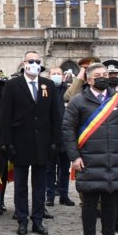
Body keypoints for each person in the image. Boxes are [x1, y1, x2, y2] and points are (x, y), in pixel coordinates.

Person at [62, 62, 118, 235]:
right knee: (90, 205)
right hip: (88, 160)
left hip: (114, 160)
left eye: (105, 74)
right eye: (98, 75)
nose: (103, 77)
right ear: (88, 79)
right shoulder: (78, 101)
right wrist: (74, 157)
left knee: (111, 205)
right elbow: (68, 130)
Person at [0, 51, 63, 235]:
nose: (34, 64)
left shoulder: (48, 85)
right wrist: (7, 143)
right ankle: (22, 219)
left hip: (42, 143)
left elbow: (55, 116)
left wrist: (55, 142)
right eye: (30, 61)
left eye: (37, 61)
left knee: (39, 184)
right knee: (20, 185)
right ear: (23, 63)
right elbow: (5, 115)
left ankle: (37, 219)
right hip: (20, 142)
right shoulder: (12, 85)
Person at [45, 66, 74, 207]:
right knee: (49, 169)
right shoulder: (45, 90)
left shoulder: (68, 91)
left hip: (65, 136)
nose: (56, 75)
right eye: (53, 73)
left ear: (63, 76)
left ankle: (64, 195)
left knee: (64, 169)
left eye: (58, 74)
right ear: (49, 76)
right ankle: (49, 195)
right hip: (50, 136)